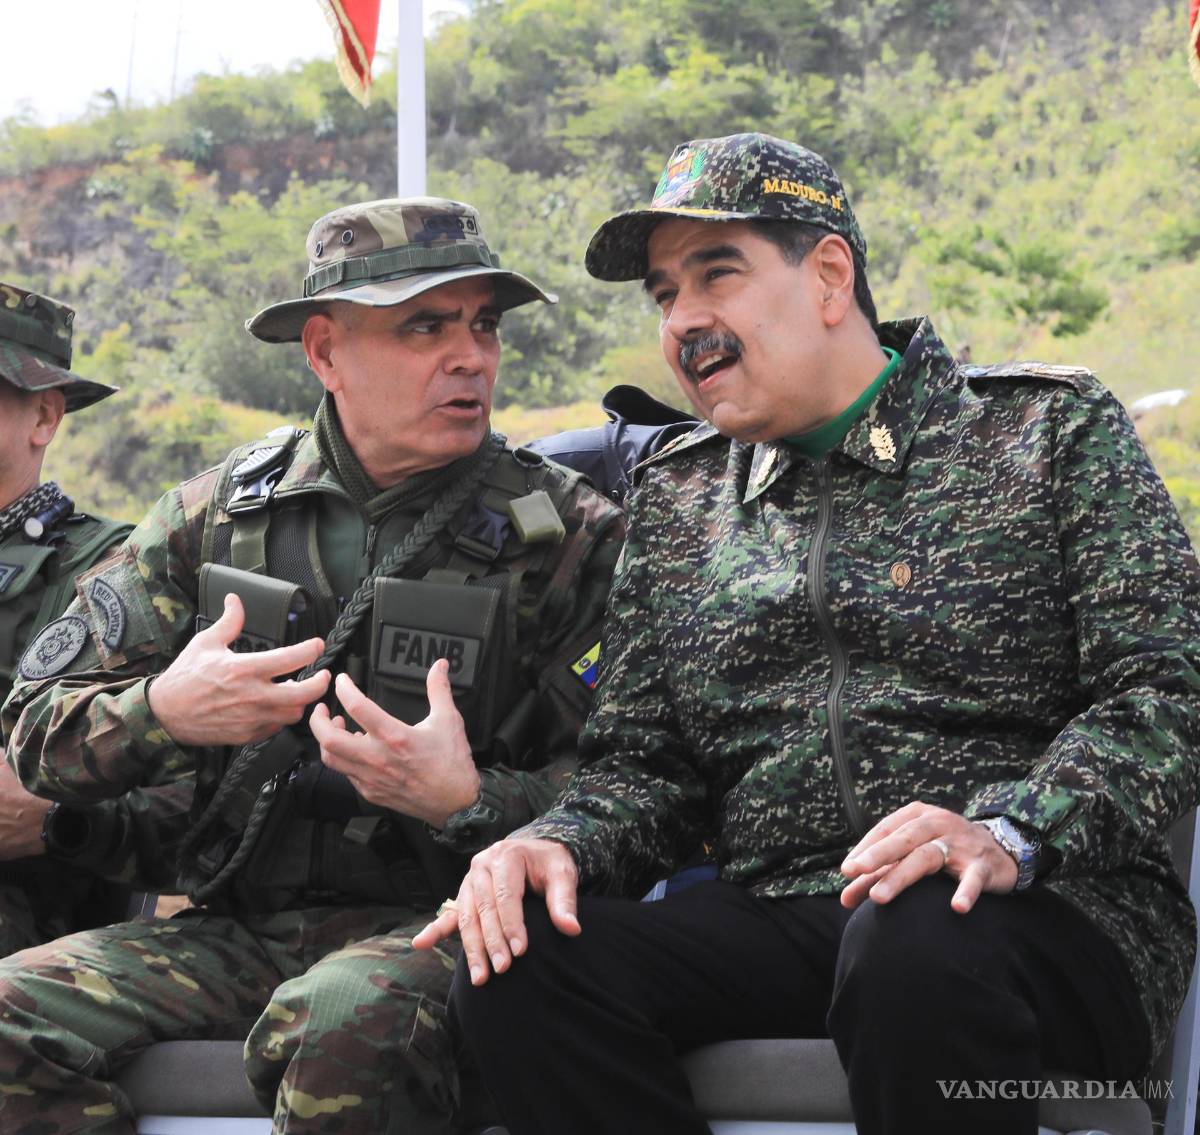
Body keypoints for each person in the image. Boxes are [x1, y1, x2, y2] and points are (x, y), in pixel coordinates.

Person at [416, 133, 1200, 1135]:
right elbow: (644, 771)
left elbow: (1167, 696)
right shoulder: (683, 497)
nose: (684, 322)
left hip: (1040, 916)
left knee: (915, 935)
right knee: (516, 959)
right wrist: (547, 841)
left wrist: (1011, 827)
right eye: (664, 295)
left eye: (718, 274)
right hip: (787, 913)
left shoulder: (1045, 435)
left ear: (830, 276)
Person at [0, 198, 625, 1134]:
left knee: (341, 1018)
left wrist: (469, 800)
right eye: (425, 325)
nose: (472, 356)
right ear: (325, 352)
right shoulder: (214, 516)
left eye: (483, 323)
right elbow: (39, 727)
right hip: (237, 925)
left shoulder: (571, 534)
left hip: (447, 923)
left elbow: (645, 787)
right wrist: (165, 710)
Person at [0, 282, 189, 957]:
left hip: (33, 917)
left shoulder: (116, 570)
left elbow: (190, 794)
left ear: (43, 416)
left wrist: (53, 815)